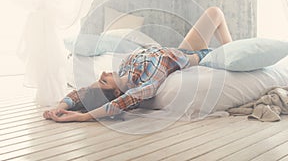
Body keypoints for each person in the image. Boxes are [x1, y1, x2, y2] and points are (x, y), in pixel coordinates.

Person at [43, 7, 232, 122]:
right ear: (117, 92)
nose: (102, 75)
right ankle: (234, 52)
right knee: (217, 18)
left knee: (214, 12)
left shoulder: (124, 67)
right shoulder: (145, 85)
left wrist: (60, 107)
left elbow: (80, 93)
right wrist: (82, 117)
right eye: (104, 82)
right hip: (201, 56)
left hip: (182, 49)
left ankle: (233, 48)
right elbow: (118, 105)